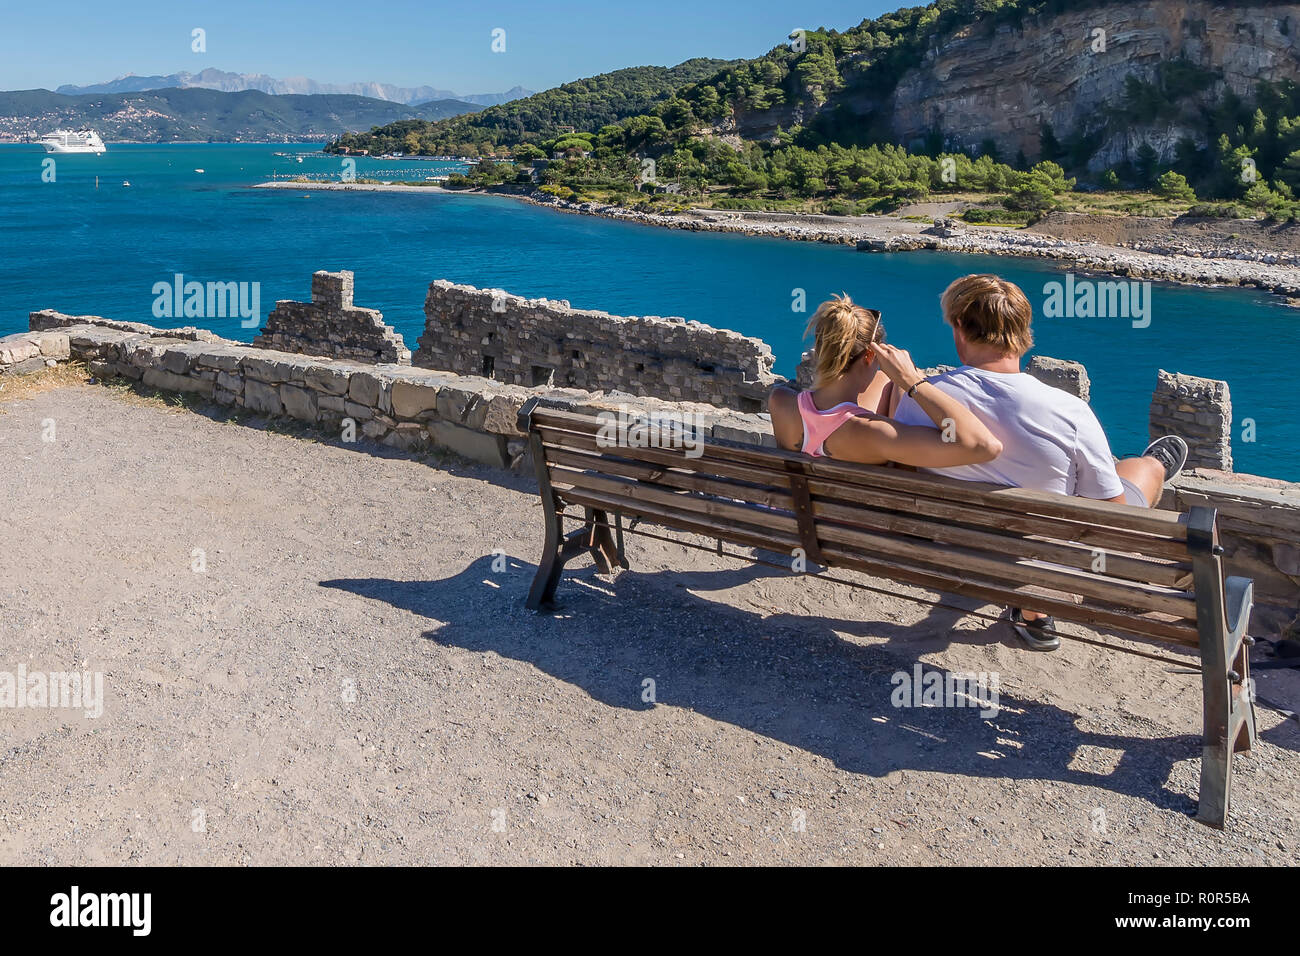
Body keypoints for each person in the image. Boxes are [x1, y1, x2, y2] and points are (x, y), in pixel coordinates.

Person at [886, 274, 1189, 652]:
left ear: (960, 327)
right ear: (1022, 331)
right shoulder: (1069, 411)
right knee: (1134, 475)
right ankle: (1156, 464)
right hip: (1044, 562)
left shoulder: (923, 398)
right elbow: (1114, 521)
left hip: (948, 549)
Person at [768, 294, 1003, 469]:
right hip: (849, 534)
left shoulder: (780, 402)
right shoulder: (875, 434)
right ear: (870, 356)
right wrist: (912, 381)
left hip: (795, 526)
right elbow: (984, 446)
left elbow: (829, 417)